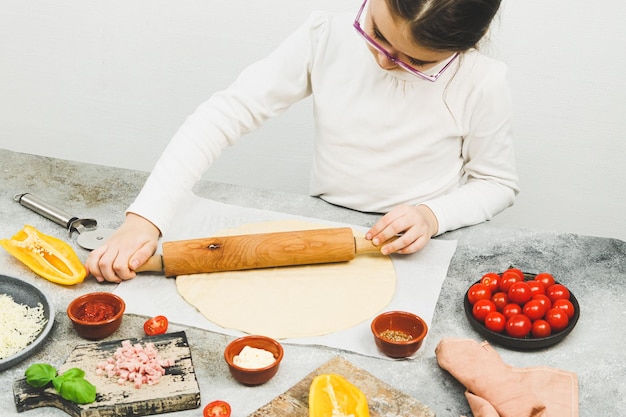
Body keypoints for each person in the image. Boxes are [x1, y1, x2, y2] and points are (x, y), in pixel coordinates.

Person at [87, 0, 519, 283]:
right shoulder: (325, 36)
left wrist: (431, 215)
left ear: (467, 45)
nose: (386, 61)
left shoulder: (482, 81)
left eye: (418, 61)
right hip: (323, 224)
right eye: (378, 34)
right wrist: (145, 218)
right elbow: (225, 114)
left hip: (418, 247)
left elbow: (497, 183)